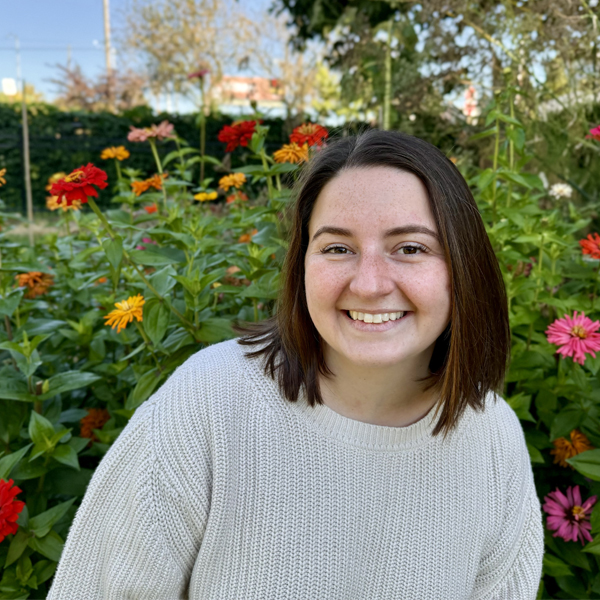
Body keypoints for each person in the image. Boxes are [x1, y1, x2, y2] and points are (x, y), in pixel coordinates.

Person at [47, 129, 544, 599]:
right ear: (302, 264)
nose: (369, 284)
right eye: (337, 248)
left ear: (463, 266)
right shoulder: (207, 403)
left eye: (410, 248)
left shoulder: (493, 439)